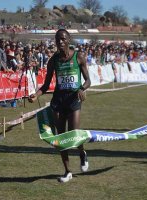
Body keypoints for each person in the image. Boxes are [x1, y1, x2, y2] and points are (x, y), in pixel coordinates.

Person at [28, 29, 91, 183]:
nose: (60, 42)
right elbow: (46, 85)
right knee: (61, 137)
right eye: (57, 39)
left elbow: (88, 80)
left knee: (74, 134)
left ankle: (82, 153)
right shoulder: (53, 60)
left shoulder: (79, 57)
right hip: (59, 100)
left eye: (63, 39)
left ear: (69, 39)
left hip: (74, 98)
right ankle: (68, 171)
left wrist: (82, 89)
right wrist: (36, 94)